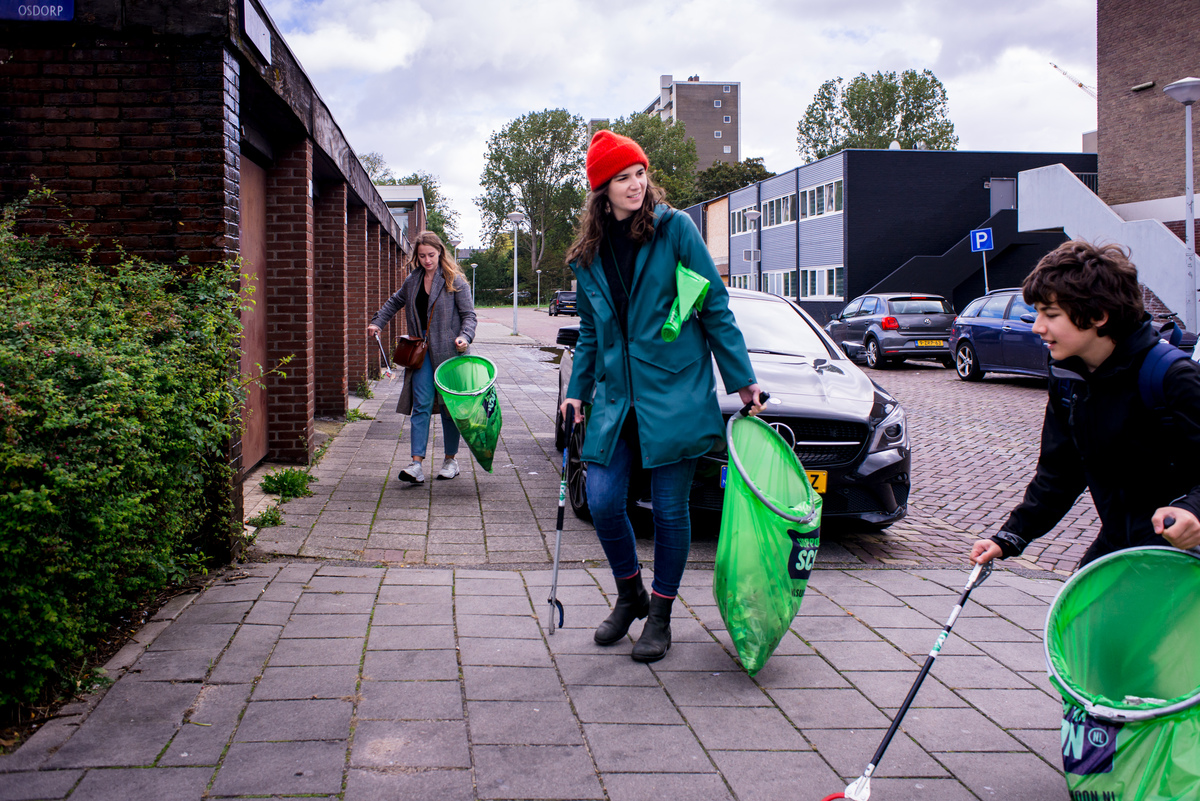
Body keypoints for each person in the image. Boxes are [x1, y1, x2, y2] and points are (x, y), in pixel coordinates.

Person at [559, 130, 765, 663]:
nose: (634, 185)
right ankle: (630, 594)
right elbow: (588, 331)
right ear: (601, 189)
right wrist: (577, 393)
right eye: (621, 178)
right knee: (603, 500)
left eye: (639, 174)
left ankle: (662, 615)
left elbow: (713, 305)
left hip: (674, 391)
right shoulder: (589, 254)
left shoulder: (675, 230)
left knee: (671, 509)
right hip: (616, 398)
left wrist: (742, 379)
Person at [970, 240, 1200, 569]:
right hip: (1120, 544)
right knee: (1079, 619)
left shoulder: (1173, 377)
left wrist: (1193, 510)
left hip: (1182, 553)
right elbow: (1060, 472)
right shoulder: (1067, 377)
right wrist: (1009, 537)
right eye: (1037, 313)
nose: (1037, 327)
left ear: (1097, 316)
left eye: (1050, 315)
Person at [368, 231, 477, 484]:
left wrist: (465, 337)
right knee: (422, 404)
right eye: (422, 256)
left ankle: (451, 460)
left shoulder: (454, 280)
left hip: (451, 352)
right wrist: (378, 323)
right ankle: (416, 464)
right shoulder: (413, 280)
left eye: (431, 255)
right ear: (416, 257)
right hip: (421, 353)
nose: (427, 260)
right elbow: (394, 302)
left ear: (440, 252)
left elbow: (469, 315)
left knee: (451, 407)